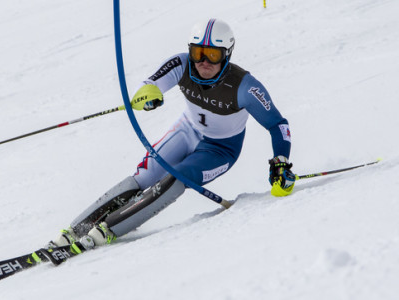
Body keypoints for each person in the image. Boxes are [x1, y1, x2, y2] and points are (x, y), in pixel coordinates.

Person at [46, 18, 296, 253]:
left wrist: (281, 162)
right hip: (187, 131)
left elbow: (278, 125)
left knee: (180, 176)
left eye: (212, 55)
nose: (203, 62)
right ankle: (75, 230)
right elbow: (152, 83)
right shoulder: (182, 64)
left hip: (221, 148)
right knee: (145, 176)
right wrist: (149, 94)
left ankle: (108, 230)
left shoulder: (245, 87)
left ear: (227, 55)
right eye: (198, 53)